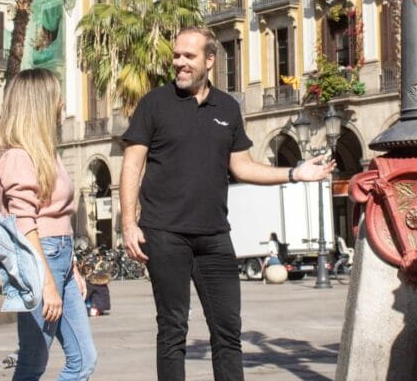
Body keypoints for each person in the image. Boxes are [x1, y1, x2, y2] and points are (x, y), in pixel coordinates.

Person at [120, 26, 334, 381]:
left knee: (228, 332)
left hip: (214, 235)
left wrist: (295, 173)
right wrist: (129, 223)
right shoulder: (154, 104)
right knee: (173, 329)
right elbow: (132, 164)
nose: (180, 63)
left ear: (209, 60)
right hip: (164, 232)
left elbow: (242, 166)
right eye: (176, 56)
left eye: (189, 56)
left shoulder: (228, 108)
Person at [0, 68, 96, 381]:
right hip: (40, 260)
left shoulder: (46, 153)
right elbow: (24, 223)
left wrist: (72, 268)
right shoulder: (16, 157)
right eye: (56, 97)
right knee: (32, 363)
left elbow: (58, 215)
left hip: (60, 257)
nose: (63, 104)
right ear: (39, 104)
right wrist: (47, 282)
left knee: (84, 360)